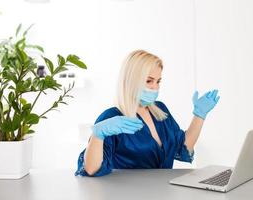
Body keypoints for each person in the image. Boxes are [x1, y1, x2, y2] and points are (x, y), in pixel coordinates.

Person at [75, 50, 220, 177]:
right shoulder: (112, 118)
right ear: (131, 80)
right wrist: (97, 135)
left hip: (162, 192)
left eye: (158, 81)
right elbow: (91, 169)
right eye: (149, 81)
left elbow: (184, 146)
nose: (155, 87)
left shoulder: (160, 111)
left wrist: (199, 115)